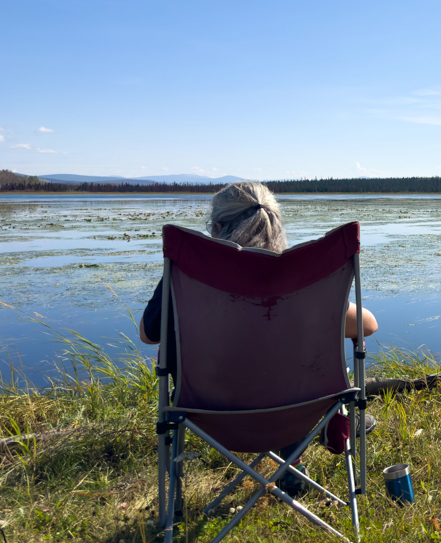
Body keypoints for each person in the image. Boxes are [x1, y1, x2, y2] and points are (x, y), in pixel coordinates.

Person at [139, 181, 377, 496]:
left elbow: (148, 335)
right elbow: (368, 325)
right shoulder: (299, 280)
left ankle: (175, 506)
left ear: (218, 227)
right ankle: (295, 464)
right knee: (290, 365)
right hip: (300, 412)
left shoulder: (186, 277)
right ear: (276, 225)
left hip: (211, 416)